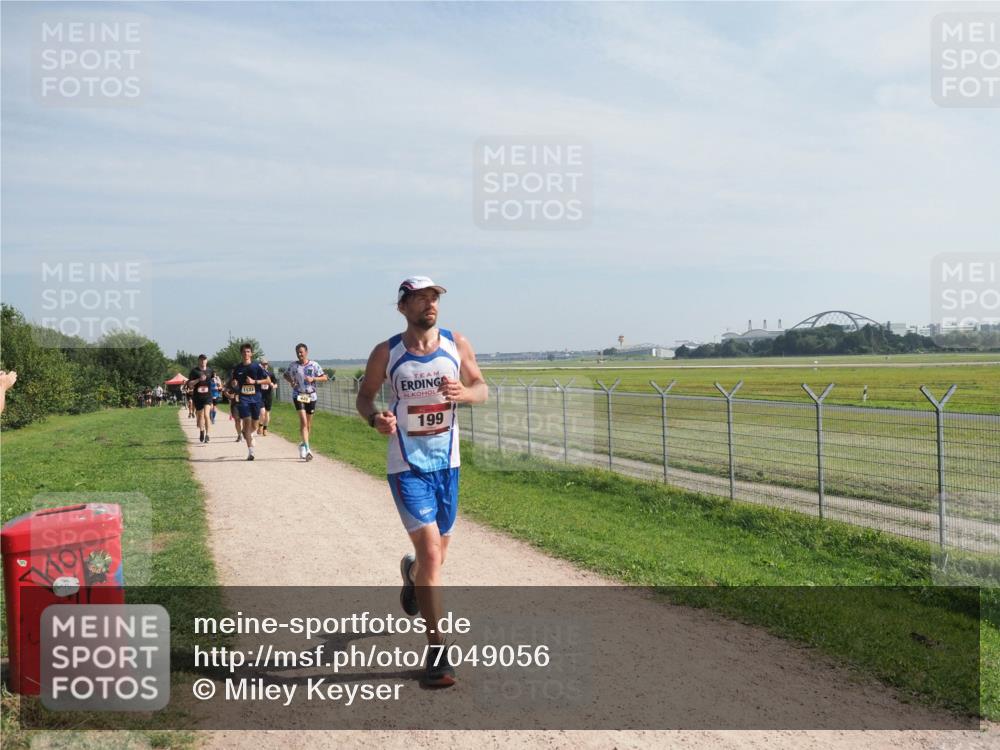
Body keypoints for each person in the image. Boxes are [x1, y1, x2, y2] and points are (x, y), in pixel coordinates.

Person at [356, 276, 487, 687]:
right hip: (406, 464)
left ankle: (411, 576)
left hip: (448, 465)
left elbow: (481, 387)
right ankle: (438, 651)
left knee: (434, 561)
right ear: (403, 307)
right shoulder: (386, 352)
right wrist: (375, 418)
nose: (429, 304)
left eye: (433, 297)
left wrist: (464, 395)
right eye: (420, 298)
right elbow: (365, 396)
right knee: (433, 555)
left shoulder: (457, 343)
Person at [283, 344, 328, 460]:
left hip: (311, 396)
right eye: (297, 352)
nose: (299, 354)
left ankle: (303, 445)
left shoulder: (314, 365)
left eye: (301, 352)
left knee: (308, 424)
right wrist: (291, 381)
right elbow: (285, 375)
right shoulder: (293, 365)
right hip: (298, 395)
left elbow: (324, 377)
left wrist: (314, 379)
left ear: (306, 352)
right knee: (303, 421)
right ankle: (308, 449)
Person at [230, 343, 269, 460]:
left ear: (251, 354)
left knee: (255, 425)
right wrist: (234, 384)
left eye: (248, 352)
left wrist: (254, 382)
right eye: (244, 352)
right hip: (243, 399)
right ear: (241, 354)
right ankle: (251, 451)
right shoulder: (237, 368)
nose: (246, 354)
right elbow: (234, 383)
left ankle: (247, 433)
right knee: (246, 422)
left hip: (256, 399)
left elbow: (267, 380)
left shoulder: (257, 367)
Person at [187, 355, 216, 443]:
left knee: (206, 415)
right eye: (201, 360)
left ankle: (208, 435)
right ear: (199, 361)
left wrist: (216, 382)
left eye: (204, 360)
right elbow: (190, 384)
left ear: (207, 361)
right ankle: (202, 431)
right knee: (200, 416)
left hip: (207, 396)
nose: (203, 361)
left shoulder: (210, 370)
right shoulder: (194, 371)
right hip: (198, 397)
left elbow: (213, 379)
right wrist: (199, 380)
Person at [256, 359, 279, 436]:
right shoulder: (258, 374)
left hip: (268, 395)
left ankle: (265, 429)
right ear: (260, 365)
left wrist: (274, 386)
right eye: (263, 364)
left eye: (266, 364)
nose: (264, 365)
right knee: (262, 412)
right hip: (260, 395)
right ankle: (260, 426)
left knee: (267, 414)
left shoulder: (271, 374)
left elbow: (276, 384)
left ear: (267, 365)